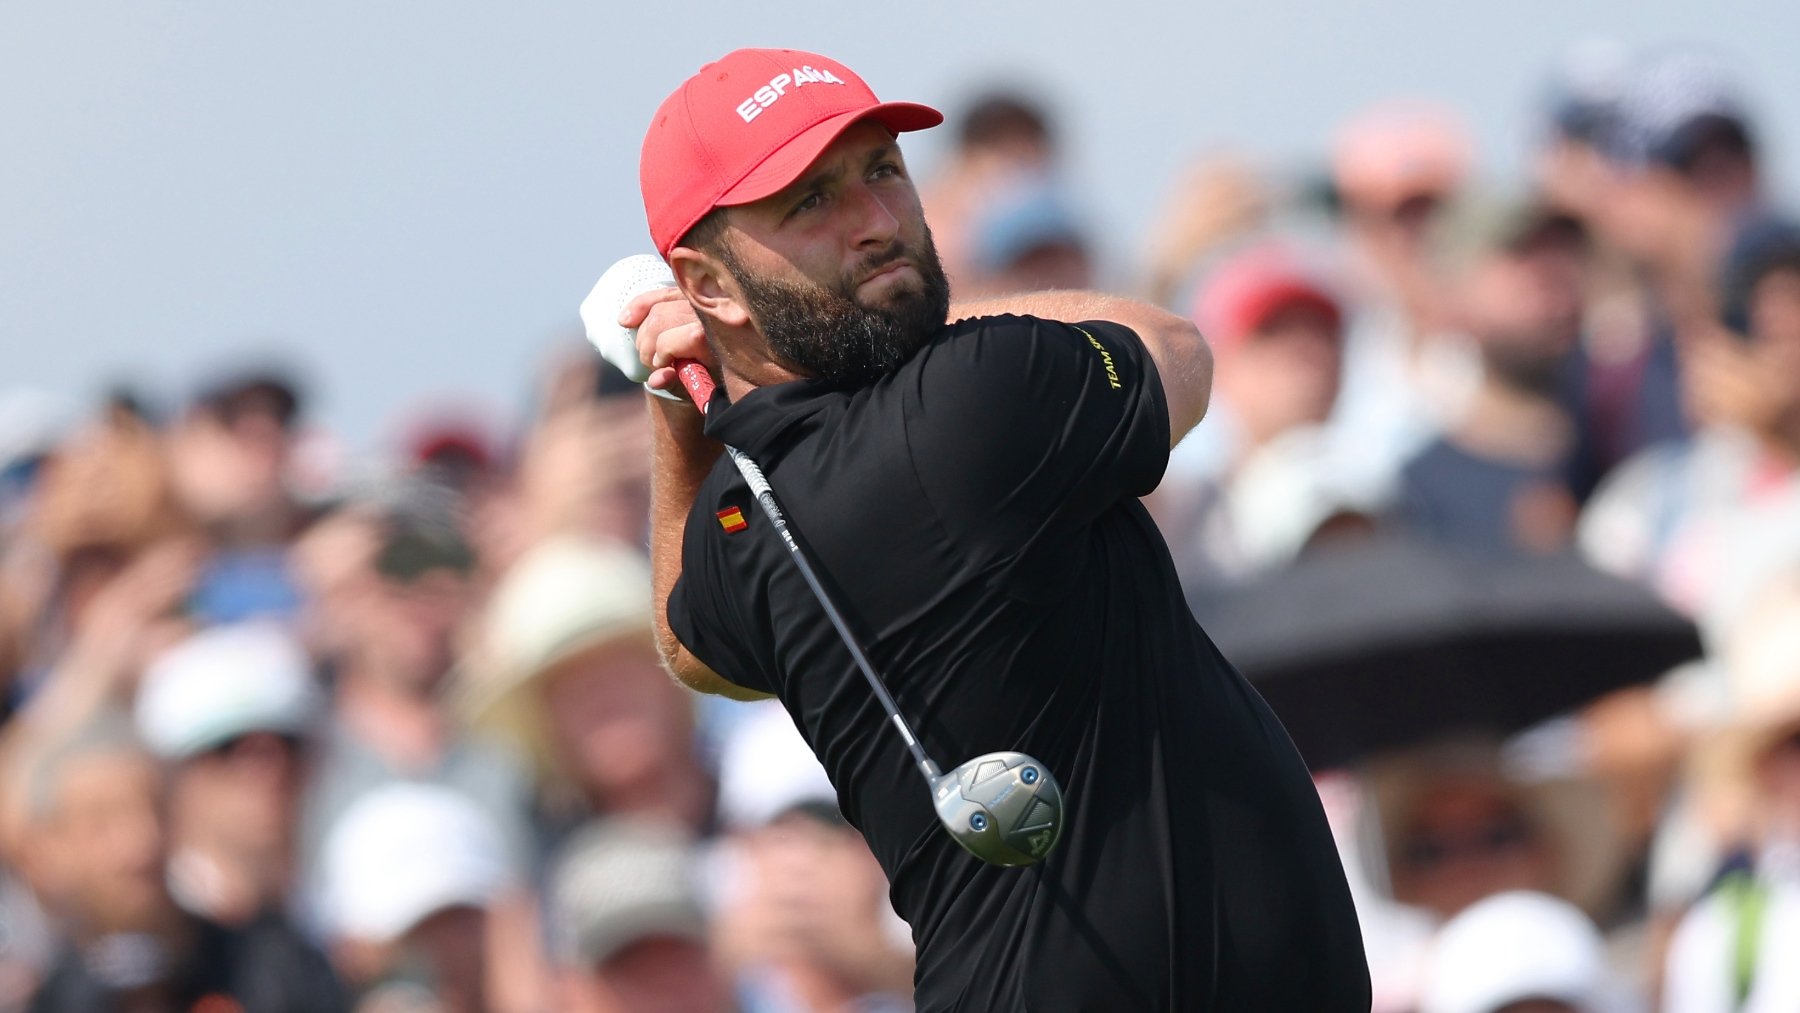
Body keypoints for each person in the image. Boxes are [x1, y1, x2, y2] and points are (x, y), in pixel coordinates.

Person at [622, 47, 1370, 1008]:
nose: (877, 225)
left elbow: (692, 645)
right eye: (809, 203)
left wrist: (674, 405)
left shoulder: (744, 519)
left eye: (883, 172)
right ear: (709, 285)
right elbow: (1178, 349)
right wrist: (919, 315)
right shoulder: (972, 392)